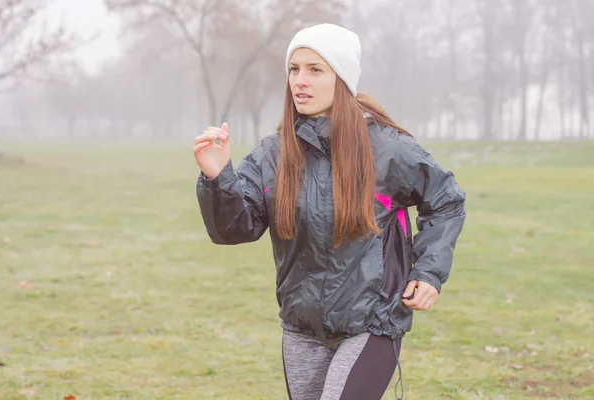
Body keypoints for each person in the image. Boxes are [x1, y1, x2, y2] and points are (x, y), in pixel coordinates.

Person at [193, 23, 466, 400]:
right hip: (301, 329)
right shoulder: (274, 155)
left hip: (372, 322)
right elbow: (234, 229)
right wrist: (216, 176)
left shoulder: (387, 150)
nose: (300, 81)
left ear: (342, 78)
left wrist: (429, 272)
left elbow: (447, 201)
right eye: (294, 69)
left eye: (315, 69)